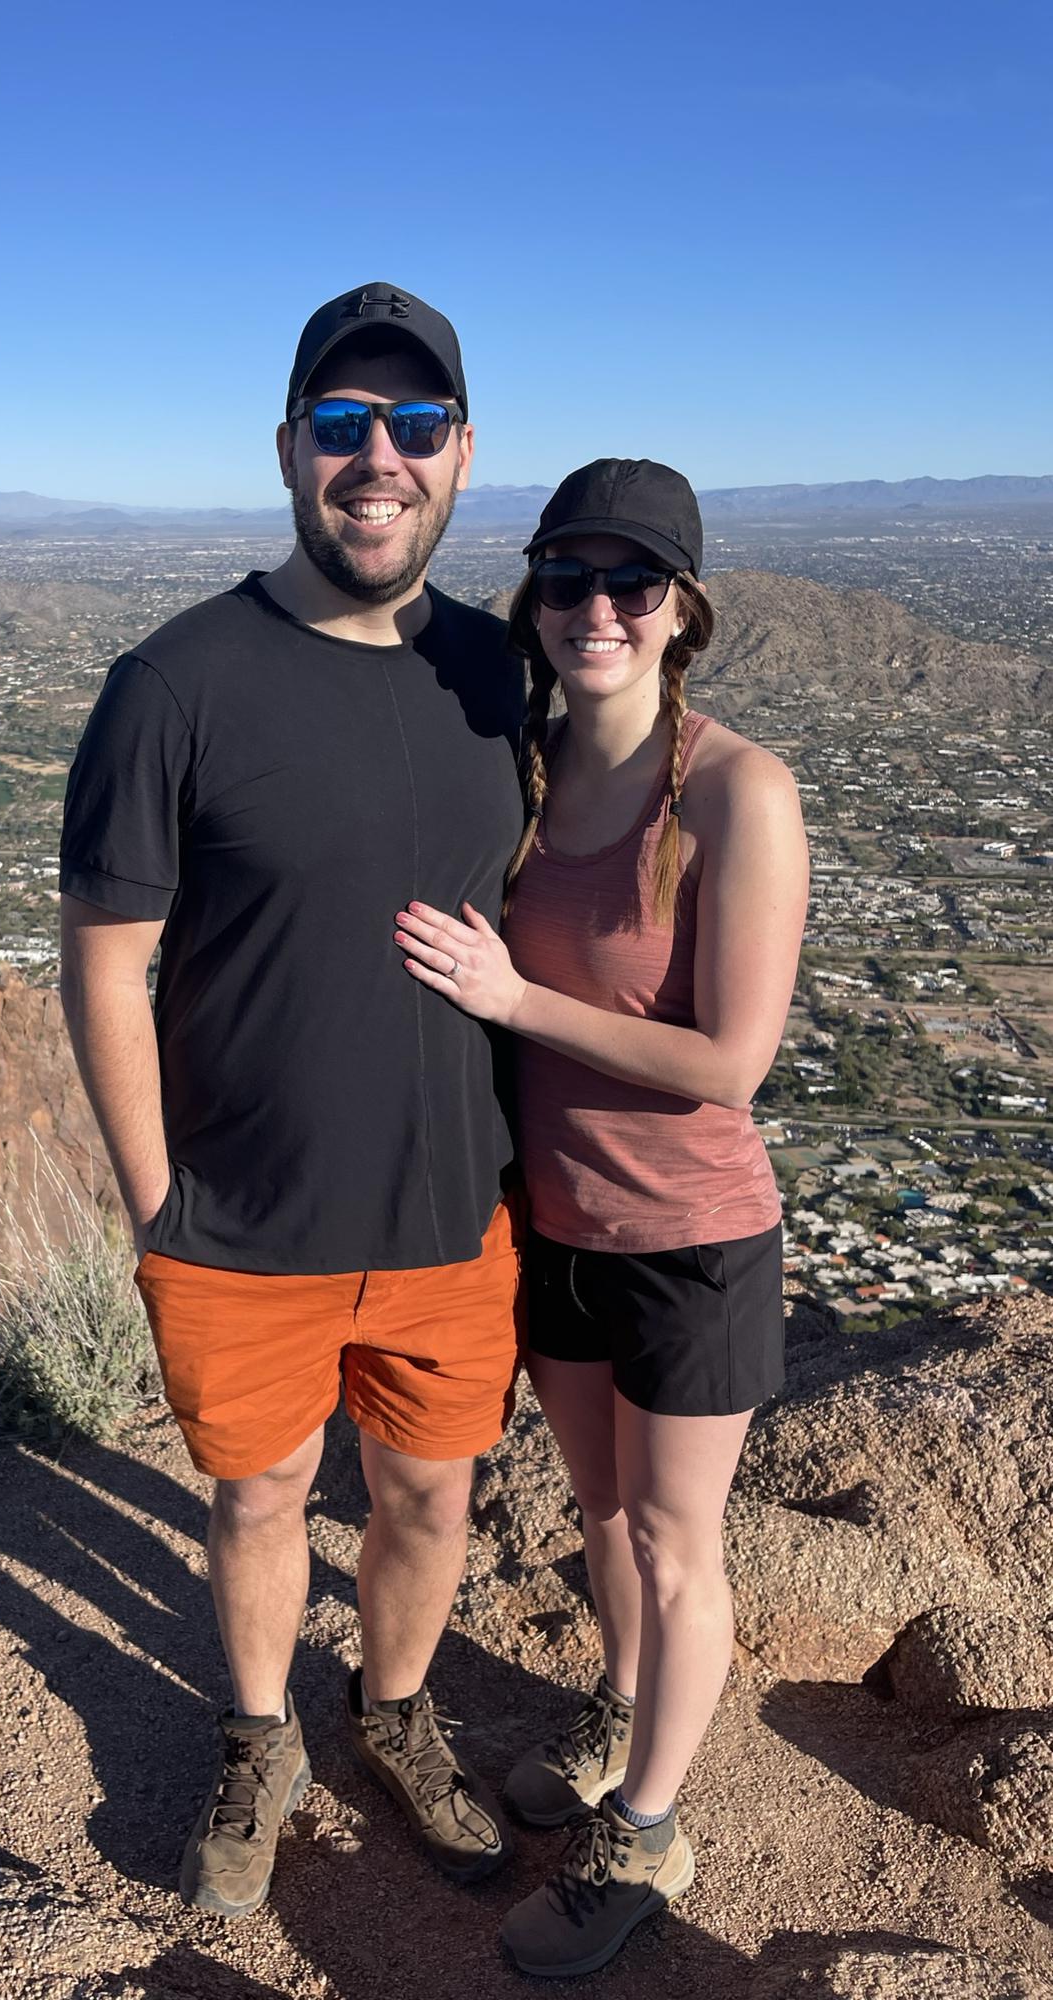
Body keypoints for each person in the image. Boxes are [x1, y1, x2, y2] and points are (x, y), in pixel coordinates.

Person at [58, 282, 526, 1918]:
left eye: (411, 428)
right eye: (342, 427)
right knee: (257, 1496)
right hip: (240, 1222)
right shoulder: (174, 684)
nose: (375, 459)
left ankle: (389, 1715)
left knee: (427, 1493)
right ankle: (261, 1736)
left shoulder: (499, 674)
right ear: (288, 452)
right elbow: (106, 960)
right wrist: (155, 1207)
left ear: (462, 457)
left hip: (452, 1213)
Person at [391, 458, 808, 1978]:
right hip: (557, 1223)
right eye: (568, 579)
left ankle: (648, 1830)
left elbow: (730, 1064)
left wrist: (518, 998)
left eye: (633, 582)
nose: (597, 609)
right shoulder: (524, 765)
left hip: (693, 1238)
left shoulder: (733, 792)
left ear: (684, 607)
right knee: (603, 1519)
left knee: (679, 1538)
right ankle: (622, 1709)